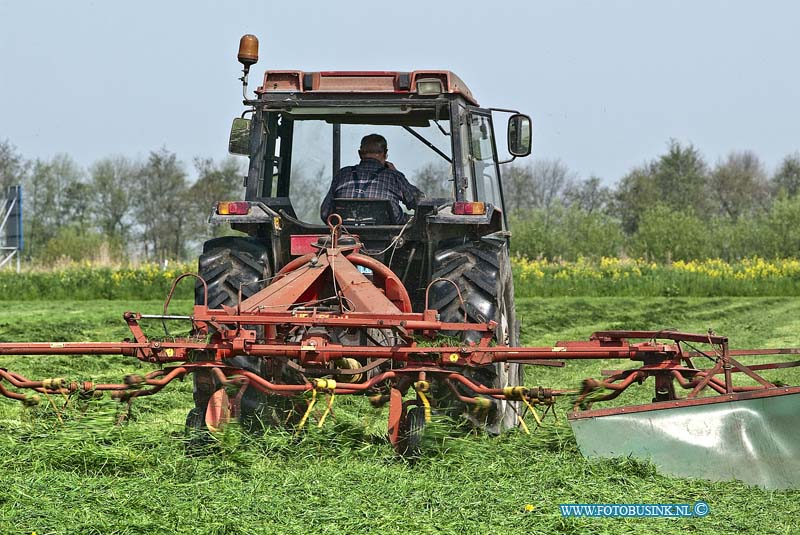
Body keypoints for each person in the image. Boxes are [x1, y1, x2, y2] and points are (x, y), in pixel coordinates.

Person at [320, 134, 424, 224]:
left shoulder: (343, 174)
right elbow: (420, 202)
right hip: (389, 239)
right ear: (385, 153)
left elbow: (325, 213)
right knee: (411, 220)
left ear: (360, 154)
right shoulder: (394, 176)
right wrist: (395, 172)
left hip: (346, 237)